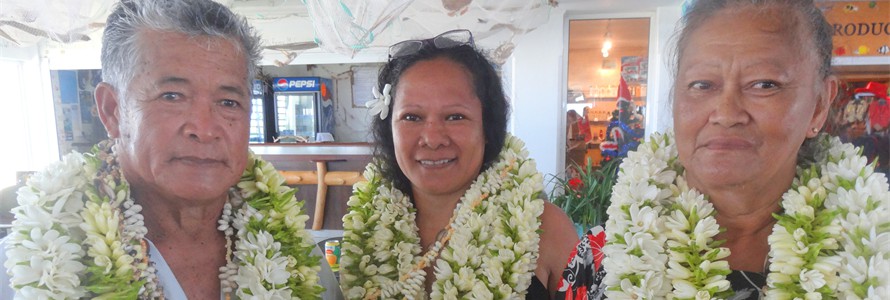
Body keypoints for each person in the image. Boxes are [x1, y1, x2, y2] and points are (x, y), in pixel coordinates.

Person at [0, 0, 337, 299]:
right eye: (172, 96)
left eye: (229, 102)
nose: (204, 129)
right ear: (112, 110)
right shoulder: (30, 267)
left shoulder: (294, 259)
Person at [557, 0, 890, 299]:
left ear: (819, 104)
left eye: (764, 84)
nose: (727, 113)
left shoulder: (873, 257)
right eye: (702, 84)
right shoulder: (603, 257)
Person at [339, 29, 578, 299]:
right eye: (412, 117)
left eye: (455, 116)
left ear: (487, 128)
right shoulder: (364, 232)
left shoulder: (547, 228)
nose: (432, 138)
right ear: (389, 128)